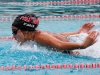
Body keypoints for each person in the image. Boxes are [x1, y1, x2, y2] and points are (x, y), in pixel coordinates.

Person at [11, 13, 99, 54]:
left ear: (25, 30)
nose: (13, 36)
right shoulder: (38, 34)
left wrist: (83, 45)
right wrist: (77, 33)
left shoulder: (40, 37)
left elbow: (60, 44)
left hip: (74, 51)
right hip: (71, 44)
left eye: (14, 32)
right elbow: (59, 35)